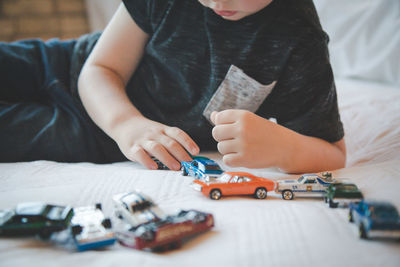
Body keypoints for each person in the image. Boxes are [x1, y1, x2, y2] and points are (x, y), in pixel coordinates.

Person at [0, 0, 346, 173]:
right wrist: (126, 124)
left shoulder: (299, 40)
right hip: (63, 64)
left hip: (91, 135)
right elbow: (101, 68)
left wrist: (285, 147)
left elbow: (333, 151)